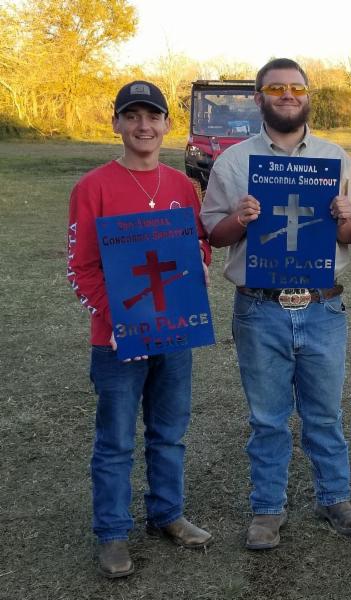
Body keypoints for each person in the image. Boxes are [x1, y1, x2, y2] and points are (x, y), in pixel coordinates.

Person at [200, 58, 351, 549]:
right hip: (261, 308)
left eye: (297, 87)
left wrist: (343, 216)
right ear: (259, 98)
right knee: (267, 418)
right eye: (276, 88)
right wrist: (239, 218)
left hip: (322, 307)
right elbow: (215, 234)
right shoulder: (234, 162)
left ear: (307, 95)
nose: (288, 95)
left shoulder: (334, 158)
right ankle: (267, 509)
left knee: (325, 413)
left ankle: (335, 497)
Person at [67, 81, 213, 578]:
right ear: (116, 124)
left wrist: (200, 260)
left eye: (152, 116)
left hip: (173, 333)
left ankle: (167, 514)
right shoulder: (93, 187)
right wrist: (119, 323)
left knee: (169, 433)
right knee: (115, 442)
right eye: (132, 116)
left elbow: (198, 243)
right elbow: (81, 268)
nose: (143, 126)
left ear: (167, 124)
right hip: (117, 342)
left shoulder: (181, 186)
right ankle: (112, 533)